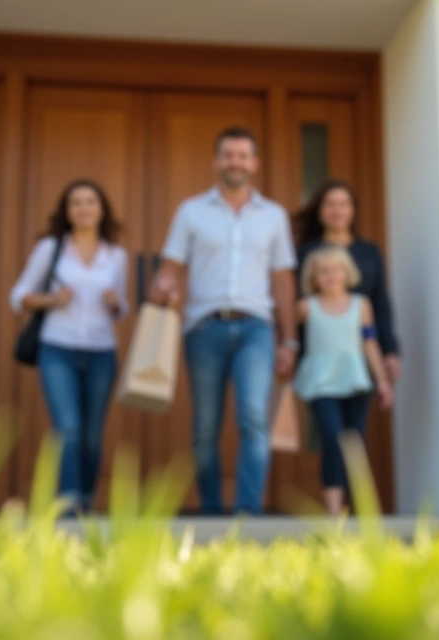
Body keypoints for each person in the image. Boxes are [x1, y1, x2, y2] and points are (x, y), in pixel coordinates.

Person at [150, 126, 298, 516]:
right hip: (204, 329)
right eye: (228, 155)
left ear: (255, 163)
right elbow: (170, 268)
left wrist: (290, 341)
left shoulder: (274, 217)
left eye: (243, 155)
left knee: (253, 417)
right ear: (216, 162)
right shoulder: (191, 212)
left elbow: (283, 280)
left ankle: (248, 514)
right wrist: (165, 287)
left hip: (256, 329)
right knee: (205, 429)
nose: (236, 162)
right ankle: (213, 513)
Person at [9, 179, 129, 513]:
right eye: (76, 202)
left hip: (102, 352)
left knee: (92, 437)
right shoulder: (50, 249)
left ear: (101, 209)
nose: (84, 208)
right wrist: (52, 299)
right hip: (57, 349)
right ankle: (68, 506)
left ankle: (85, 501)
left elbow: (122, 308)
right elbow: (18, 297)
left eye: (91, 201)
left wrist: (114, 302)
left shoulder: (116, 255)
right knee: (69, 429)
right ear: (67, 211)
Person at [294, 246, 394, 516]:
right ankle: (334, 512)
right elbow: (290, 341)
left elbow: (370, 343)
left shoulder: (361, 305)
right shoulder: (305, 308)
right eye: (323, 271)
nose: (330, 276)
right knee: (333, 439)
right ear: (313, 278)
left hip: (355, 381)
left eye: (336, 270)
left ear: (346, 273)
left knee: (353, 444)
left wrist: (382, 382)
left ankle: (359, 507)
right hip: (321, 383)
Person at [295, 179, 401, 384]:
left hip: (363, 352)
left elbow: (381, 302)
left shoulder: (369, 252)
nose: (337, 211)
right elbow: (300, 302)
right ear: (320, 210)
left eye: (344, 204)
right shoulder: (307, 252)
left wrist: (390, 350)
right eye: (330, 204)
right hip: (320, 354)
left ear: (352, 210)